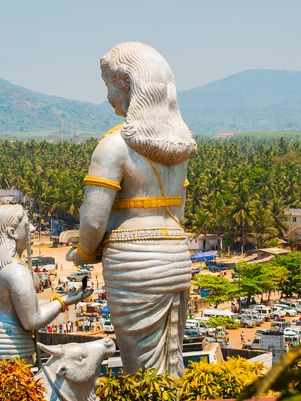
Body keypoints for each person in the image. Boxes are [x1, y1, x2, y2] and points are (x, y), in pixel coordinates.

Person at [67, 42, 196, 377]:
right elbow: (179, 212)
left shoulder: (113, 146)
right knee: (172, 360)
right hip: (176, 257)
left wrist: (83, 251)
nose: (108, 97)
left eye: (109, 86)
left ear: (126, 85)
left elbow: (94, 219)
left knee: (138, 368)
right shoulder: (179, 146)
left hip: (133, 264)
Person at [0, 205, 92, 379]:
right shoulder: (16, 270)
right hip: (9, 349)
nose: (34, 229)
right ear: (12, 232)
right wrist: (63, 302)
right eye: (28, 225)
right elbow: (32, 320)